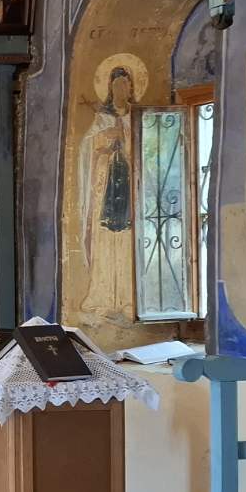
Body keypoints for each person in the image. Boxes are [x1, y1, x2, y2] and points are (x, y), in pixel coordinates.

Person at [77, 64, 138, 318]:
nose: (121, 89)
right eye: (116, 85)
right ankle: (103, 296)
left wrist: (126, 136)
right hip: (106, 189)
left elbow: (147, 149)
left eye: (125, 84)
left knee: (127, 241)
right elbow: (86, 146)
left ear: (131, 87)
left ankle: (127, 298)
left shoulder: (136, 116)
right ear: (110, 88)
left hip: (130, 188)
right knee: (105, 241)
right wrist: (104, 139)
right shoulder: (102, 117)